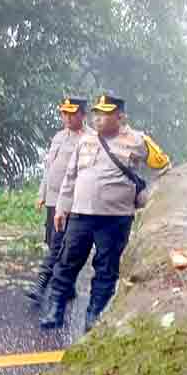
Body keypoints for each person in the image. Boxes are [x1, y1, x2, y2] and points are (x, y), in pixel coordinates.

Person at [40, 94, 170, 332]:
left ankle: (94, 315)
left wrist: (147, 196)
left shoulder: (138, 141)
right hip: (81, 214)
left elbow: (164, 168)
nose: (99, 118)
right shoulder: (86, 140)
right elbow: (71, 176)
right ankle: (55, 309)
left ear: (120, 116)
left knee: (106, 268)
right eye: (97, 113)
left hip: (115, 218)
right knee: (67, 261)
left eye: (106, 113)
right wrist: (61, 207)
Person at [26, 97, 89, 304]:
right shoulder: (59, 137)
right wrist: (42, 194)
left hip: (72, 202)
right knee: (55, 241)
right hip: (53, 199)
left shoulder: (90, 139)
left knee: (58, 243)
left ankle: (41, 283)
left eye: (72, 113)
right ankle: (68, 285)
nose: (67, 117)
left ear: (82, 115)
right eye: (64, 113)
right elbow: (49, 168)